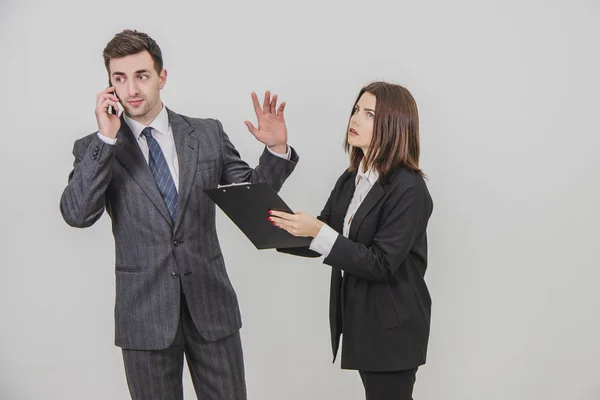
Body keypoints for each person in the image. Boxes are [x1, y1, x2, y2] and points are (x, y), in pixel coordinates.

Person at [59, 29, 298, 400]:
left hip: (211, 307)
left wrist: (277, 149)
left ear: (162, 77)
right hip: (144, 315)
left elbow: (251, 197)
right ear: (109, 86)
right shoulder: (95, 148)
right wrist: (106, 138)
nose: (131, 89)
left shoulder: (206, 134)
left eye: (141, 75)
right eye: (119, 79)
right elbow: (77, 214)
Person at [270, 82, 433, 400]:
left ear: (393, 124)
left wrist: (317, 231)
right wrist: (267, 228)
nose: (355, 119)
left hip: (393, 327)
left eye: (369, 114)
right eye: (356, 110)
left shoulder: (409, 188)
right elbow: (322, 235)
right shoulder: (350, 179)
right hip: (362, 320)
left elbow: (381, 264)